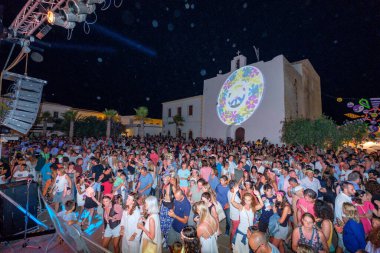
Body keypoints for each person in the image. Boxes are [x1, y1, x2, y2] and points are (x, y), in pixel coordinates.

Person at [231, 187, 263, 253]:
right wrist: (234, 192)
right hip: (241, 232)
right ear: (243, 200)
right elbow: (232, 202)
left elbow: (261, 205)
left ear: (252, 201)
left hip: (250, 233)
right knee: (239, 250)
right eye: (245, 200)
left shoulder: (253, 208)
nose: (247, 202)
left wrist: (258, 195)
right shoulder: (241, 207)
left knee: (247, 250)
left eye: (249, 200)